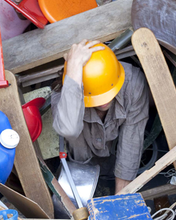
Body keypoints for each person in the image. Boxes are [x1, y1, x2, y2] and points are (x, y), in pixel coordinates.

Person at [51, 40, 149, 194]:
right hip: (82, 174)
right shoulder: (63, 94)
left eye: (107, 94)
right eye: (97, 96)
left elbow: (131, 144)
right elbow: (68, 129)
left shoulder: (133, 83)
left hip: (115, 166)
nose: (104, 102)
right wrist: (74, 66)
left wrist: (120, 199)